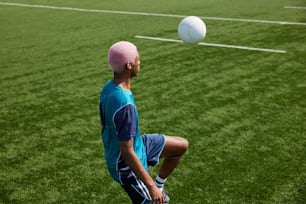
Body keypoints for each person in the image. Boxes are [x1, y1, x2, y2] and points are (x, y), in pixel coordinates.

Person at [99, 41, 188, 204]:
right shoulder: (125, 104)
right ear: (129, 65)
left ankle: (159, 185)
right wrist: (150, 186)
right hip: (125, 165)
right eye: (138, 59)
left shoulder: (110, 87)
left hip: (138, 144)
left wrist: (156, 186)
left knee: (180, 146)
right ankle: (154, 189)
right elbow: (126, 151)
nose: (140, 62)